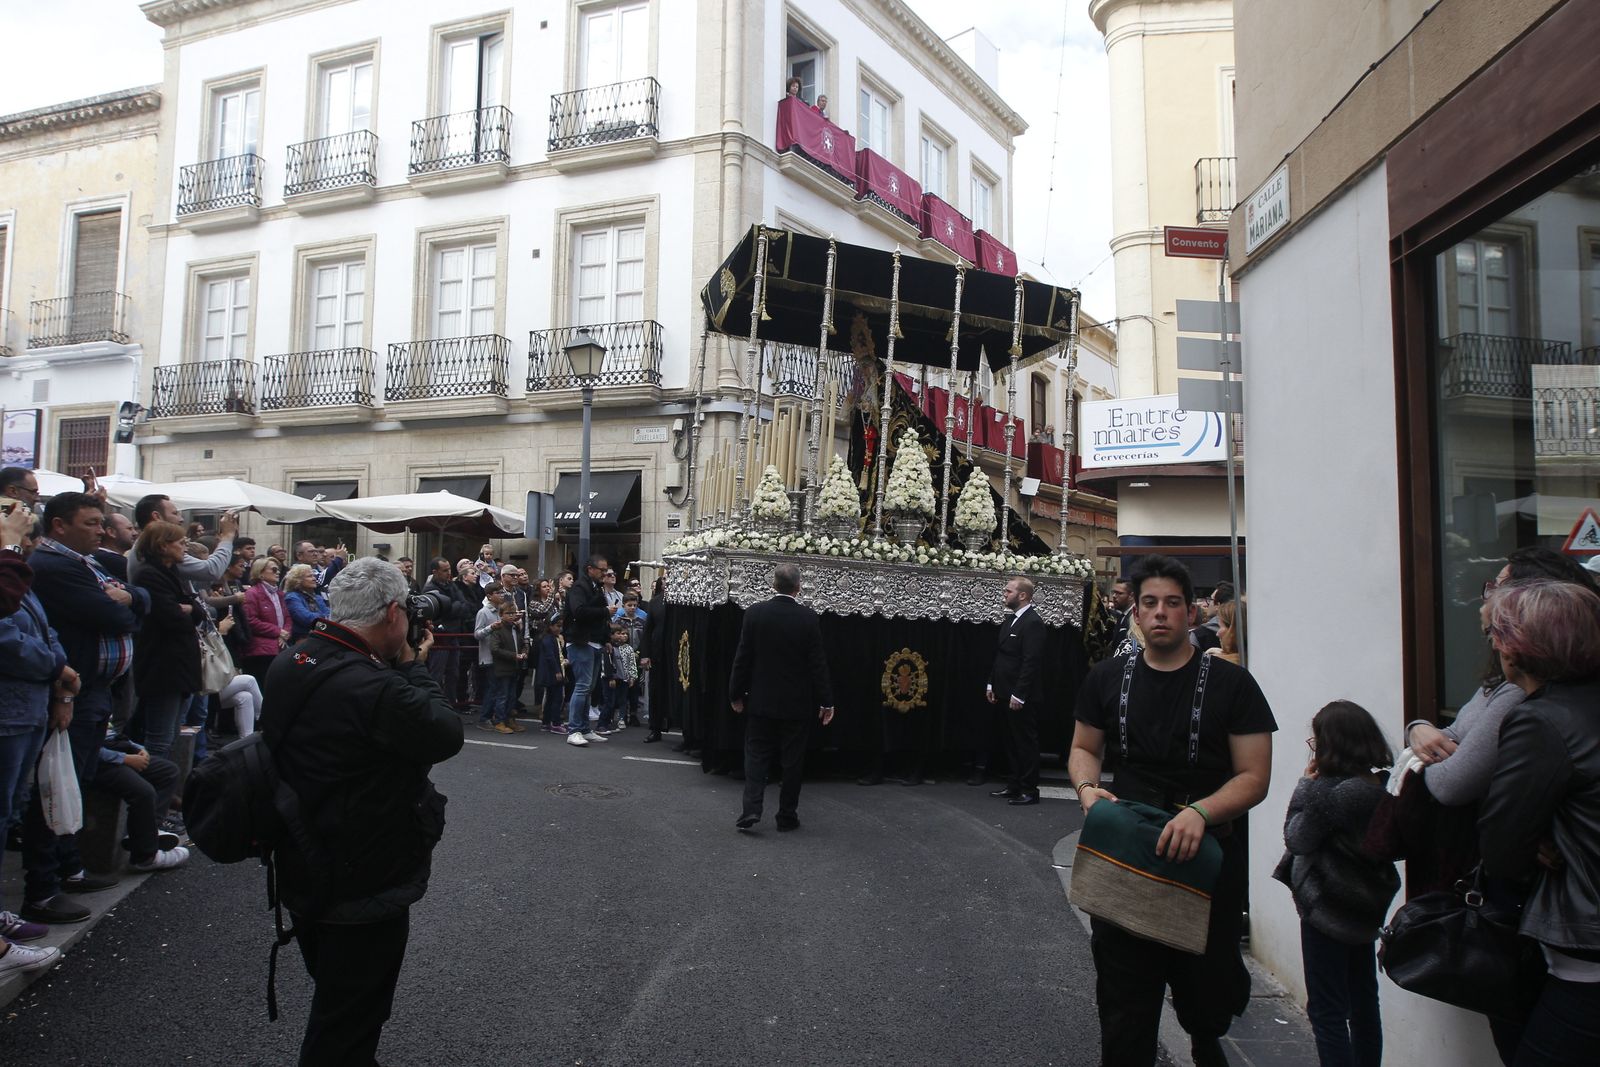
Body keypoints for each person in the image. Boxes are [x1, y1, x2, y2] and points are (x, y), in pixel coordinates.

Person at [1069, 554, 1276, 1067]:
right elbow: (1083, 749)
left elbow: (1255, 775)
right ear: (1136, 614)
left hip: (1205, 860)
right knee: (1123, 1003)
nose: (1160, 612)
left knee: (1207, 998)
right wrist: (1088, 789)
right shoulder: (1105, 678)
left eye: (1172, 603)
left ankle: (1207, 1043)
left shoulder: (1234, 685)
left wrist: (1200, 813)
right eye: (1150, 603)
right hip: (1126, 855)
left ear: (1191, 613)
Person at [261, 557, 463, 1067]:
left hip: (301, 858)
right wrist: (415, 665)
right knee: (348, 1019)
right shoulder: (375, 686)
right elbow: (444, 732)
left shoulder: (296, 659)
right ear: (394, 612)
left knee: (338, 995)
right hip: (361, 874)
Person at [1479, 579, 1600, 1065]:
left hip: (1584, 955)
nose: (1491, 643)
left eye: (1497, 634)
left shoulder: (1541, 720)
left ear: (1519, 651)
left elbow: (1502, 847)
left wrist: (1536, 843)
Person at [20, 492, 133, 926]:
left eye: (103, 522)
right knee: (53, 788)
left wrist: (129, 598)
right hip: (73, 692)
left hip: (91, 690)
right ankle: (44, 889)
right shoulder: (55, 566)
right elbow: (116, 616)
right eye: (91, 523)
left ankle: (70, 867)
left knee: (75, 780)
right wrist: (125, 602)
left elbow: (132, 597)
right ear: (59, 525)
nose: (101, 531)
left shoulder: (86, 562)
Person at [1273, 700, 1399, 1067]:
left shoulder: (1332, 793)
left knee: (1327, 1010)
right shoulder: (1381, 786)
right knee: (1363, 1002)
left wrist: (1303, 784)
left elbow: (1297, 838)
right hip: (1365, 909)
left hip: (1328, 908)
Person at [0, 514, 74, 965]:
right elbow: (6, 634)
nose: (29, 542)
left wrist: (58, 668)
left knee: (8, 810)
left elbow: (46, 631)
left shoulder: (22, 577)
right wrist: (55, 668)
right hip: (8, 711)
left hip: (24, 710)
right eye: (24, 535)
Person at [728, 562, 834, 831]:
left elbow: (742, 659)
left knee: (756, 756)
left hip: (761, 699)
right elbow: (817, 664)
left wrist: (735, 693)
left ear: (773, 585)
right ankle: (787, 815)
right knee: (793, 761)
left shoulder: (755, 614)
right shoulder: (808, 618)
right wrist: (826, 701)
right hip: (796, 703)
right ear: (799, 587)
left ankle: (751, 810)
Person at [130, 522, 203, 760]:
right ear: (163, 546)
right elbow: (171, 617)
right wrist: (188, 610)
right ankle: (156, 789)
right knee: (159, 739)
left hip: (179, 666)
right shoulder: (149, 575)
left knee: (172, 735)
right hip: (163, 667)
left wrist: (189, 608)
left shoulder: (172, 573)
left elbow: (198, 612)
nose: (186, 547)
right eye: (181, 543)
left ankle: (166, 789)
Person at [985, 576, 1048, 805]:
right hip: (1003, 691)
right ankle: (1014, 785)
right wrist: (992, 683)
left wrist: (1019, 694)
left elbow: (1031, 662)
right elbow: (1002, 656)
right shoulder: (1011, 620)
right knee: (1010, 742)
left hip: (1021, 696)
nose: (1004, 594)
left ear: (1022, 595)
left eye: (1008, 591)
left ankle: (1029, 790)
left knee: (1024, 743)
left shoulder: (1032, 623)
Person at [93, 736, 188, 873]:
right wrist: (124, 758)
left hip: (112, 750)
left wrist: (138, 749)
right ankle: (146, 857)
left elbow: (112, 734)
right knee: (144, 792)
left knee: (169, 771)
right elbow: (87, 747)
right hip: (99, 762)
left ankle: (149, 832)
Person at [564, 556, 613, 748]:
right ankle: (574, 729)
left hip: (593, 642)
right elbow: (579, 611)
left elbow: (600, 617)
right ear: (590, 569)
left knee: (588, 688)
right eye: (602, 570)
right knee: (583, 686)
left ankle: (584, 728)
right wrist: (605, 611)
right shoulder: (579, 587)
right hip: (580, 641)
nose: (605, 573)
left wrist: (606, 639)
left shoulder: (594, 587)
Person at [242, 557, 290, 687]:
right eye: (274, 569)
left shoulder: (279, 594)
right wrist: (278, 632)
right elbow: (251, 621)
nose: (278, 572)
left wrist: (285, 633)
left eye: (279, 569)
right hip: (261, 650)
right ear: (261, 573)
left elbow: (287, 618)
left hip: (281, 646)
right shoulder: (252, 593)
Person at [485, 601, 526, 734]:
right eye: (508, 613)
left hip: (515, 667)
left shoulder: (515, 628)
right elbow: (495, 649)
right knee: (502, 695)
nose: (512, 616)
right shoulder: (498, 629)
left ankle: (510, 719)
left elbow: (522, 643)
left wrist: (525, 652)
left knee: (512, 696)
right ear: (501, 615)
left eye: (513, 613)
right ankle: (499, 721)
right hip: (502, 667)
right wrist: (514, 656)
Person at [642, 576, 668, 743]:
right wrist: (645, 654)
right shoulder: (655, 602)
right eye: (664, 579)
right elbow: (647, 630)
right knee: (656, 691)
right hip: (657, 653)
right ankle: (655, 728)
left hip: (676, 653)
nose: (667, 581)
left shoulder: (682, 601)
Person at [537, 617, 569, 734]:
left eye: (561, 626)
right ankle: (555, 722)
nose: (559, 628)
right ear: (550, 626)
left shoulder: (553, 638)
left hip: (553, 672)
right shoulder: (548, 639)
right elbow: (550, 657)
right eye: (557, 626)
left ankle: (546, 722)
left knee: (551, 698)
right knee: (556, 698)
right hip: (552, 673)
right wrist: (557, 671)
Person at [284, 564, 330, 642]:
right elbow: (307, 618)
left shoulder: (317, 597)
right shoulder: (292, 597)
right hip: (301, 640)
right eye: (309, 576)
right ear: (297, 580)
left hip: (319, 638)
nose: (314, 579)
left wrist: (324, 617)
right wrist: (324, 617)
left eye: (313, 576)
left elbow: (329, 614)